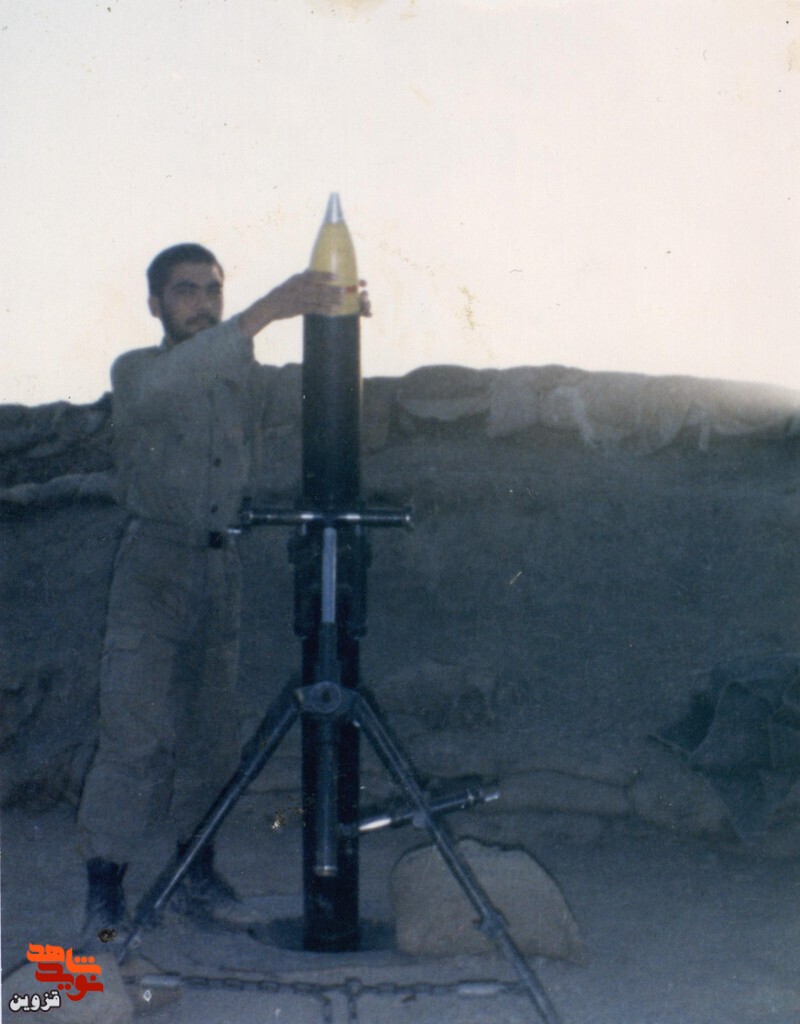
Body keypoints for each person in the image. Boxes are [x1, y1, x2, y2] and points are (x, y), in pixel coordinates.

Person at [77, 243, 369, 941]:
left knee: (212, 743)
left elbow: (311, 395)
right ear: (155, 304)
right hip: (154, 568)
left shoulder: (240, 378)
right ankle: (104, 895)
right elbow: (169, 385)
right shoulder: (137, 371)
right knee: (136, 736)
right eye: (186, 291)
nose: (203, 303)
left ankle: (196, 879)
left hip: (220, 569)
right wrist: (266, 310)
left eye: (212, 290)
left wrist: (340, 327)